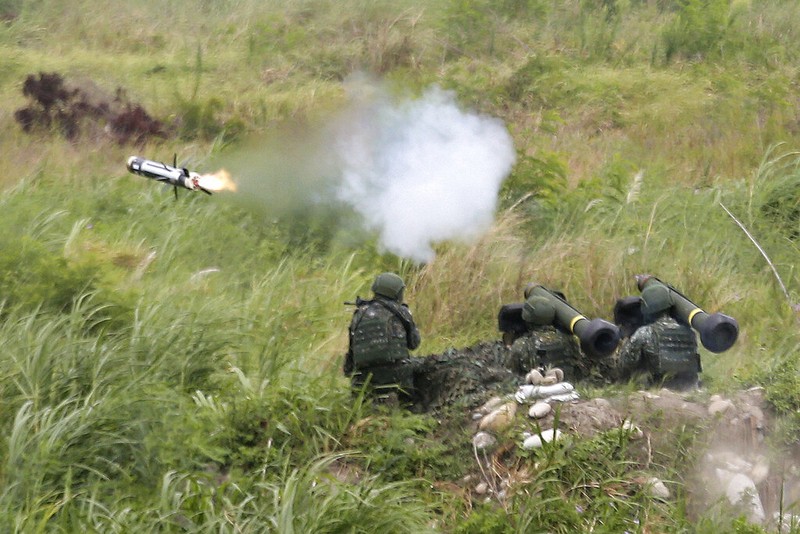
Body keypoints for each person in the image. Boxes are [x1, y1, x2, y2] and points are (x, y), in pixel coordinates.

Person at [609, 278, 701, 389]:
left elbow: (625, 365)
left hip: (659, 388)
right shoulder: (689, 332)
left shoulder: (645, 332)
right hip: (689, 388)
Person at [343, 272, 421, 404]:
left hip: (364, 379)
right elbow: (414, 343)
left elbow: (352, 352)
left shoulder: (359, 314)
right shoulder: (401, 312)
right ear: (397, 293)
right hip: (397, 374)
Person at [505, 287, 586, 382]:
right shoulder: (570, 339)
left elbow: (509, 374)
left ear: (527, 317)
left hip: (536, 389)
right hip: (568, 386)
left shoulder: (521, 344)